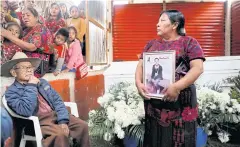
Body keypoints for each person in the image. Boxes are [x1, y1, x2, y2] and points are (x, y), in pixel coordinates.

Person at [135, 10, 205, 147]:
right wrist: (138, 82)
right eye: (158, 20)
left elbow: (198, 68)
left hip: (181, 102)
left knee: (181, 138)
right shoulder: (151, 44)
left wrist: (176, 87)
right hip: (154, 104)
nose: (157, 24)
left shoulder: (189, 42)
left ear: (175, 25)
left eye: (162, 21)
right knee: (155, 137)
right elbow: (140, 66)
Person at [2, 52, 90, 147]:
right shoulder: (11, 92)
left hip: (55, 115)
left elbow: (57, 101)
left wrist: (63, 121)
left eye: (30, 67)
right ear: (14, 72)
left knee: (82, 126)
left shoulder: (42, 82)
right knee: (59, 134)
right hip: (37, 121)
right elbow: (26, 111)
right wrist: (31, 85)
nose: (29, 70)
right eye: (24, 67)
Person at [1, 7, 53, 77]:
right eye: (23, 16)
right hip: (21, 63)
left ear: (36, 18)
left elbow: (31, 47)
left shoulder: (41, 29)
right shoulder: (25, 30)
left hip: (38, 65)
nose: (25, 17)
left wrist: (8, 35)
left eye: (28, 15)